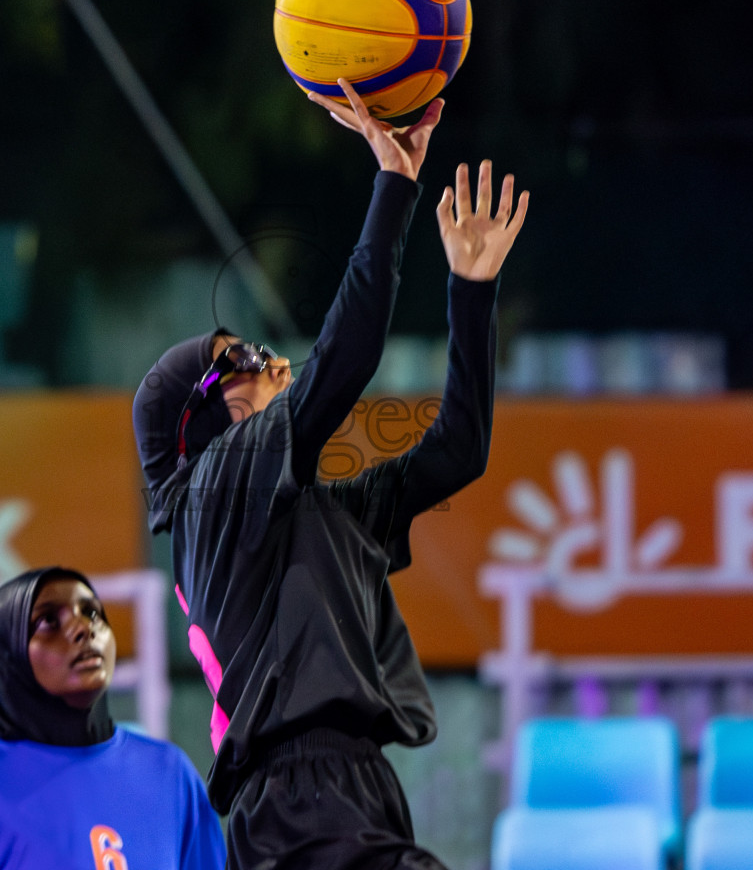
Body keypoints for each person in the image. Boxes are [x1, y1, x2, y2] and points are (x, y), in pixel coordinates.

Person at [131, 78, 528, 869]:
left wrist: (472, 291)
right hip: (294, 797)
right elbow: (345, 361)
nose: (270, 357)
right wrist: (394, 184)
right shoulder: (212, 492)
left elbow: (457, 451)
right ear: (200, 420)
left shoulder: (321, 514)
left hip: (353, 787)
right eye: (239, 358)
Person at [0, 566, 225, 870]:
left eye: (93, 613)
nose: (83, 629)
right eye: (48, 622)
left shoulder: (169, 771)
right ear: (6, 653)